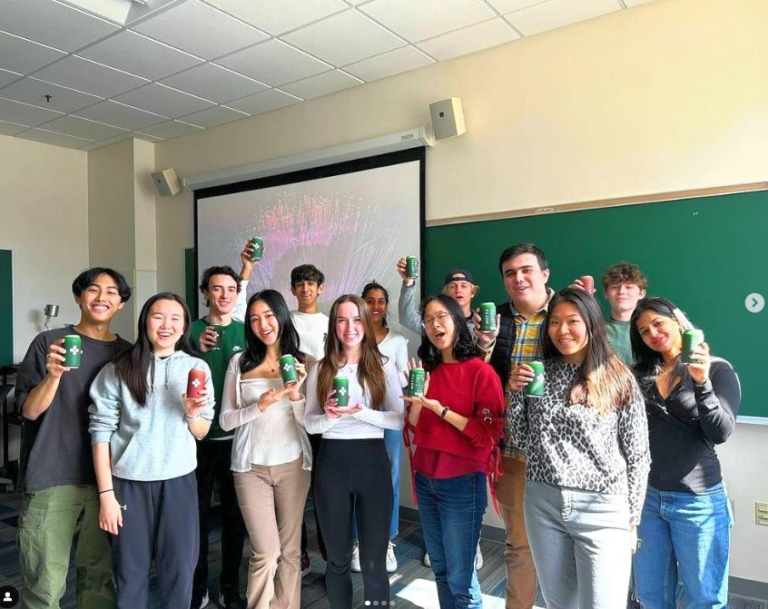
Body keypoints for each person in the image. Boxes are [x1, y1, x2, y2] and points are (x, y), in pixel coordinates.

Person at [506, 287, 650, 609]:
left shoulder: (617, 378)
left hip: (603, 507)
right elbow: (523, 439)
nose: (562, 331)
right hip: (542, 502)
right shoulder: (539, 372)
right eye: (554, 323)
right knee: (560, 604)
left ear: (591, 324)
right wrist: (515, 394)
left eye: (572, 321)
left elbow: (638, 455)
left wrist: (631, 520)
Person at [89, 292, 214, 609]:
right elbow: (100, 432)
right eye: (158, 316)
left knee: (180, 573)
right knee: (130, 576)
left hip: (179, 483)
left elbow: (201, 430)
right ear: (145, 320)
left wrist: (191, 412)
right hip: (128, 485)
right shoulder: (120, 368)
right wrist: (106, 495)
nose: (166, 324)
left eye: (175, 318)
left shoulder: (195, 367)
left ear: (185, 326)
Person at [16, 267, 131, 609]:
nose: (101, 298)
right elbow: (29, 412)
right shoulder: (49, 342)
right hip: (52, 477)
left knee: (99, 583)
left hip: (107, 483)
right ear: (79, 297)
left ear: (121, 304)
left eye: (111, 292)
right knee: (43, 585)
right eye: (93, 290)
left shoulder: (128, 354)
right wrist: (53, 376)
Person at [630, 297, 740, 609]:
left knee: (704, 599)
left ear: (678, 321)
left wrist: (701, 382)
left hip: (699, 501)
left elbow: (721, 432)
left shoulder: (718, 369)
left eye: (658, 323)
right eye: (643, 330)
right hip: (648, 500)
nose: (652, 332)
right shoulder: (639, 374)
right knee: (650, 597)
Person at [404, 294, 504, 609]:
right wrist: (418, 404)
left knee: (461, 578)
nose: (435, 324)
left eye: (442, 316)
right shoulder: (427, 370)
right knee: (440, 569)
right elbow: (416, 428)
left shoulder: (480, 372)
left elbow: (488, 435)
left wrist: (442, 410)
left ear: (457, 321)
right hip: (426, 477)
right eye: (429, 319)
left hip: (462, 483)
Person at [304, 295, 404, 609]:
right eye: (342, 320)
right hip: (332, 463)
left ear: (365, 322)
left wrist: (361, 412)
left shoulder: (382, 366)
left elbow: (398, 420)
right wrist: (330, 417)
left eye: (356, 319)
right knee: (337, 560)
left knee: (374, 561)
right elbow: (309, 424)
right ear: (333, 326)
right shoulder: (320, 368)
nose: (350, 328)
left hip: (372, 461)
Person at [219, 290, 312, 609]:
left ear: (282, 317)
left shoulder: (302, 362)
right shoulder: (239, 362)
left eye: (269, 315)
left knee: (290, 551)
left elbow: (310, 423)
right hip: (250, 468)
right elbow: (226, 420)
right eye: (254, 318)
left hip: (293, 465)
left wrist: (297, 395)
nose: (263, 324)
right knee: (266, 552)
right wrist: (258, 406)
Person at [475, 243, 554, 609]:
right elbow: (478, 381)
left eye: (526, 270)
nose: (519, 278)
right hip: (513, 450)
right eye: (510, 273)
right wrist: (484, 346)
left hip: (562, 452)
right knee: (519, 544)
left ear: (544, 274)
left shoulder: (569, 313)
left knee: (566, 545)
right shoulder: (496, 319)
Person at [191, 242, 257, 609]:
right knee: (197, 521)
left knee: (236, 519)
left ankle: (230, 587)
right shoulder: (187, 331)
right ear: (205, 294)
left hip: (238, 439)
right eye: (217, 289)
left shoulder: (246, 331)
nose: (224, 295)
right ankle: (198, 587)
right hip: (197, 439)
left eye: (231, 289)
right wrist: (194, 347)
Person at [350, 281, 409, 574]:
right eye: (370, 300)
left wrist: (397, 376)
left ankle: (386, 541)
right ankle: (360, 541)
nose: (375, 306)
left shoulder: (397, 340)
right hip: (356, 413)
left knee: (390, 477)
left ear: (387, 305)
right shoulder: (351, 336)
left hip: (388, 412)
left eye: (381, 301)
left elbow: (405, 383)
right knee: (357, 478)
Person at [289, 263, 329, 573]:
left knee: (325, 487)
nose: (306, 288)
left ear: (320, 288)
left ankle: (331, 551)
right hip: (291, 412)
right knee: (296, 487)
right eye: (300, 283)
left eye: (311, 283)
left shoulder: (332, 324)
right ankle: (299, 551)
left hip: (325, 410)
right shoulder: (284, 323)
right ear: (293, 290)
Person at [572, 262, 648, 366]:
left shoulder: (651, 329)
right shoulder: (594, 329)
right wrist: (573, 301)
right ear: (605, 294)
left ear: (641, 294)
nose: (621, 292)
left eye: (629, 287)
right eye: (615, 287)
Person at [397, 257, 478, 336]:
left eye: (464, 286)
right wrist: (409, 282)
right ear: (446, 293)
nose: (458, 290)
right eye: (452, 286)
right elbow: (406, 318)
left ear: (472, 292)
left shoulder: (479, 322)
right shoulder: (435, 323)